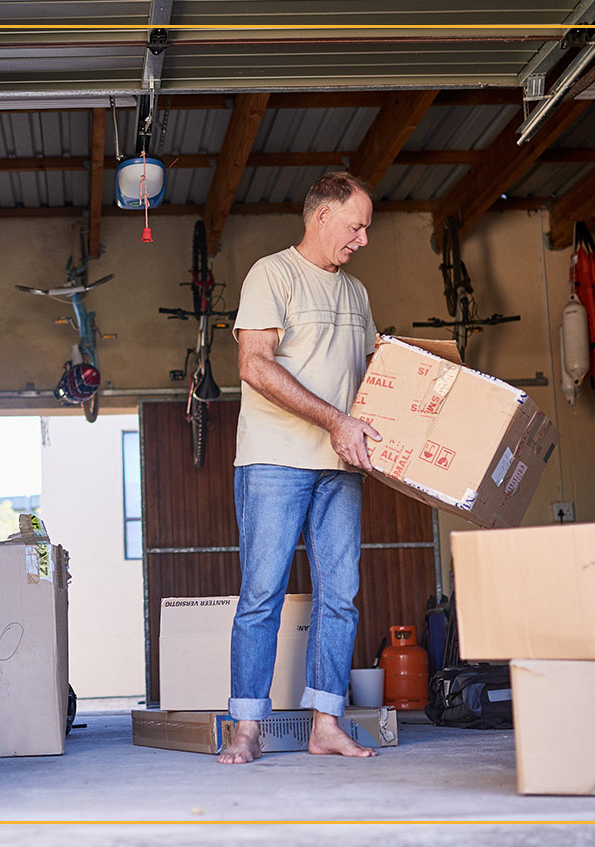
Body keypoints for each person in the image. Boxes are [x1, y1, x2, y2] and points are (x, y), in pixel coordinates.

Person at [218, 171, 381, 765]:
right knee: (262, 594)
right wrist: (334, 421)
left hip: (342, 466)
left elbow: (369, 381)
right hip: (274, 460)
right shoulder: (273, 274)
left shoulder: (357, 294)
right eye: (356, 226)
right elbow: (254, 365)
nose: (362, 239)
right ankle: (247, 728)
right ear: (322, 217)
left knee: (341, 596)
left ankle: (326, 724)